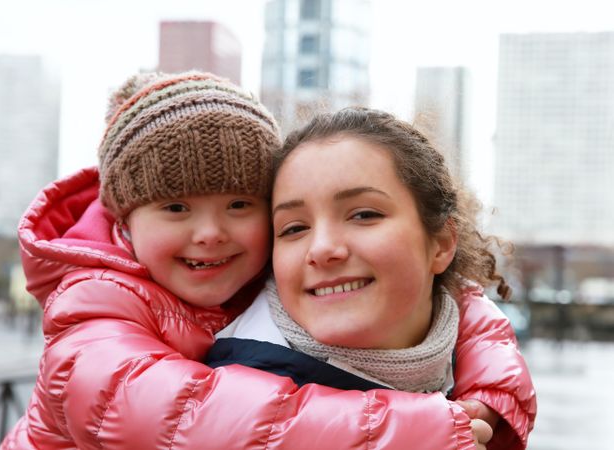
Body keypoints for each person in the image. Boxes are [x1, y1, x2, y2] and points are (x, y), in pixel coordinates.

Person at [2, 70, 533, 450]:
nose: (209, 234)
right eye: (175, 207)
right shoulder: (94, 304)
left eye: (239, 205)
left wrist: (490, 398)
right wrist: (419, 428)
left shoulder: (255, 271)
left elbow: (466, 309)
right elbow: (186, 416)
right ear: (125, 223)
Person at [208, 107, 537, 450]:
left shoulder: (478, 393)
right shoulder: (224, 407)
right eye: (294, 228)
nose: (321, 249)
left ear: (441, 244)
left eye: (363, 215)